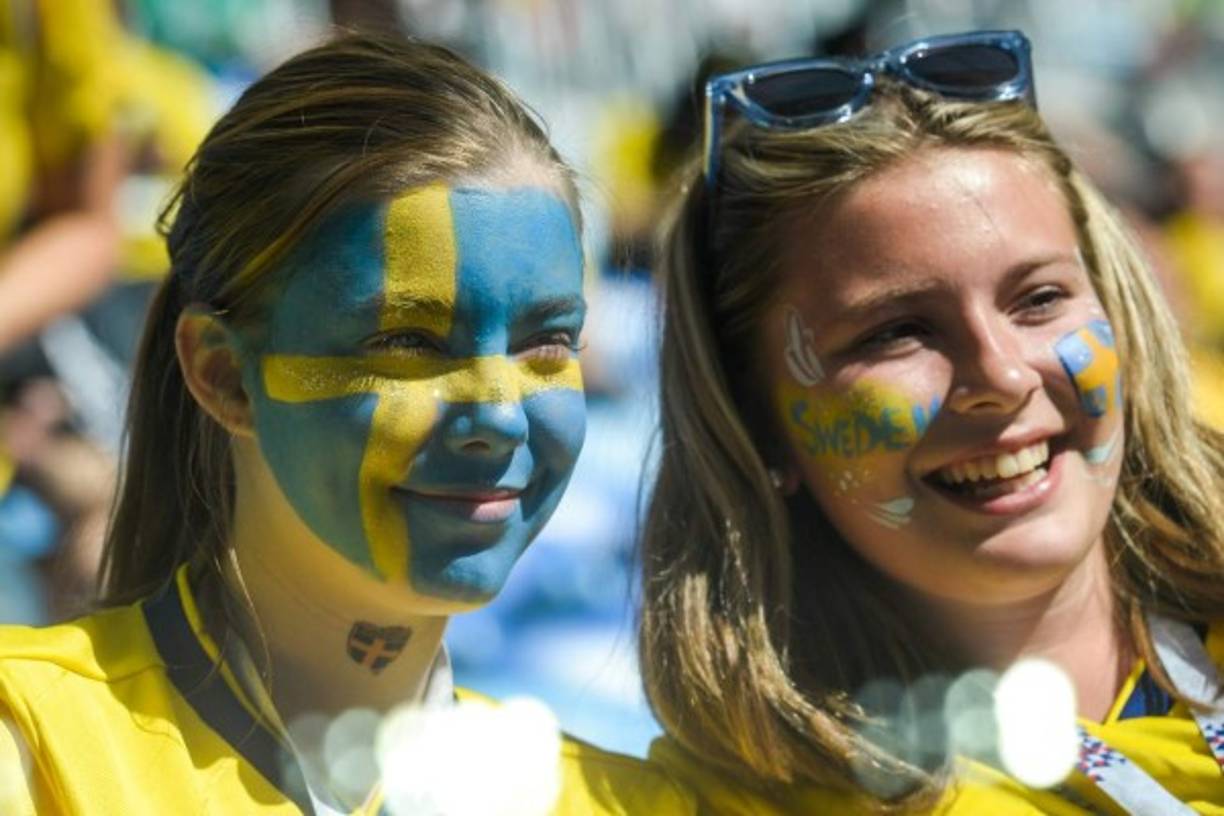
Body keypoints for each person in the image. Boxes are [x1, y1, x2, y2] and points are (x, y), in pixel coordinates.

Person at [0, 33, 694, 815]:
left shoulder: (622, 803)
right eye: (407, 342)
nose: (498, 415)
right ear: (223, 374)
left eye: (547, 343)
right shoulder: (32, 750)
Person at [640, 29, 1224, 814]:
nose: (1002, 376)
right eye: (895, 332)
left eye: (1039, 299)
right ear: (754, 419)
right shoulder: (736, 802)